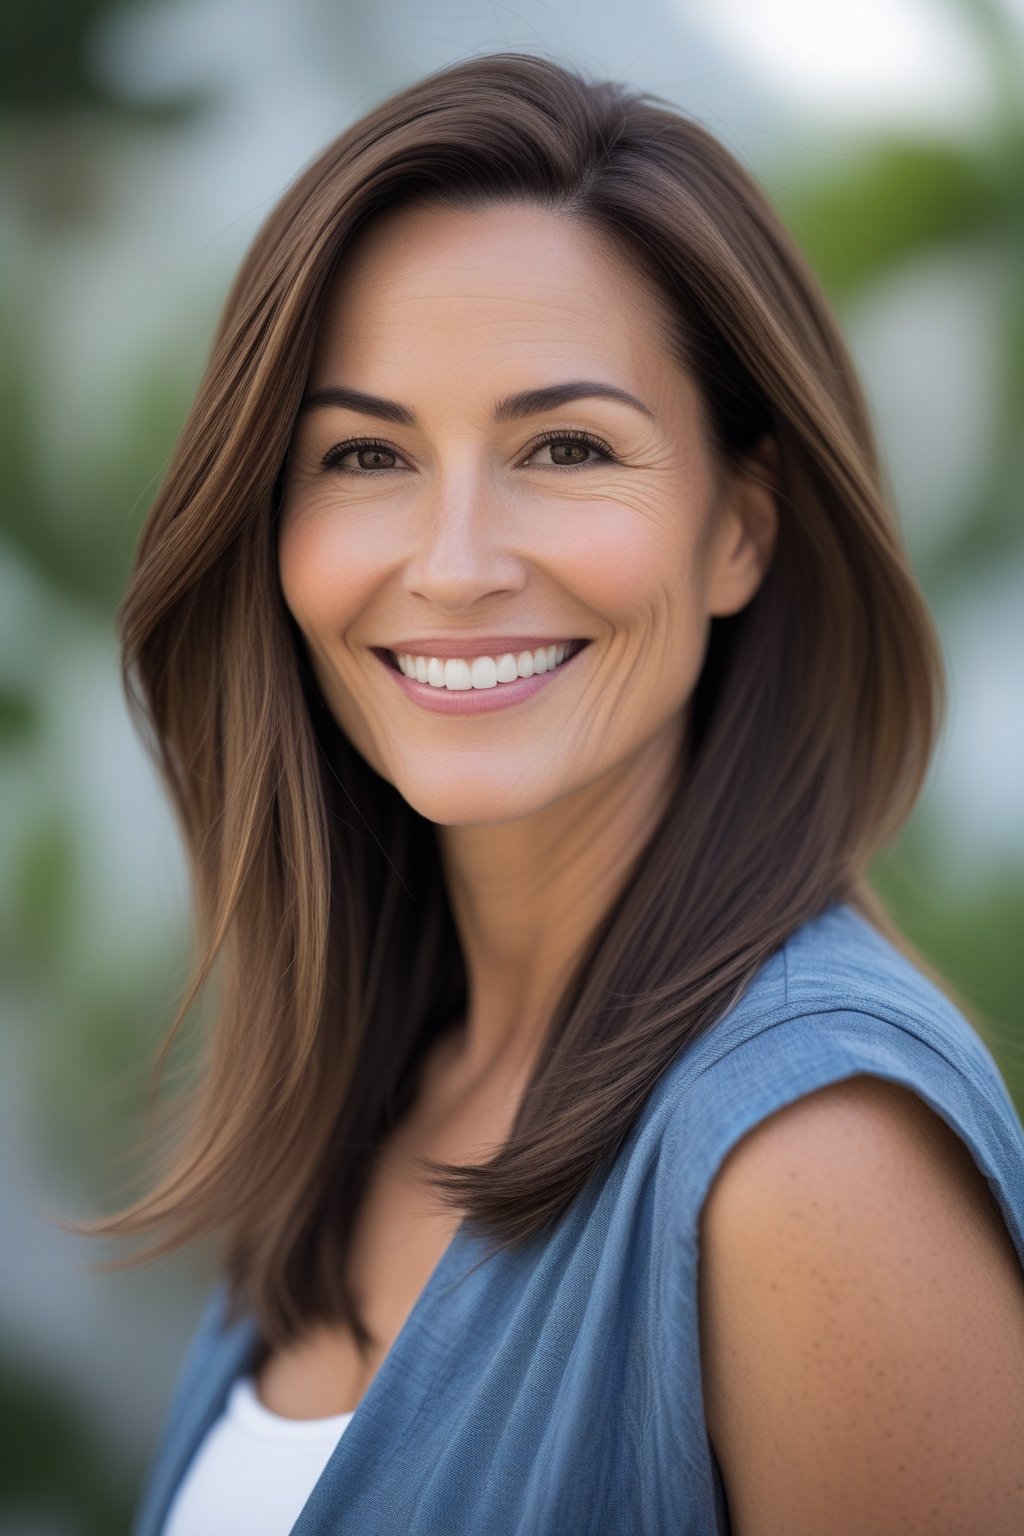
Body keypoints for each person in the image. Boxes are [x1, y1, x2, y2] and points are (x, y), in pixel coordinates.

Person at [81, 50, 1024, 1535]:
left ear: (741, 531)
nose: (453, 564)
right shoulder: (371, 1085)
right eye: (367, 453)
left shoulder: (812, 1162)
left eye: (566, 447)